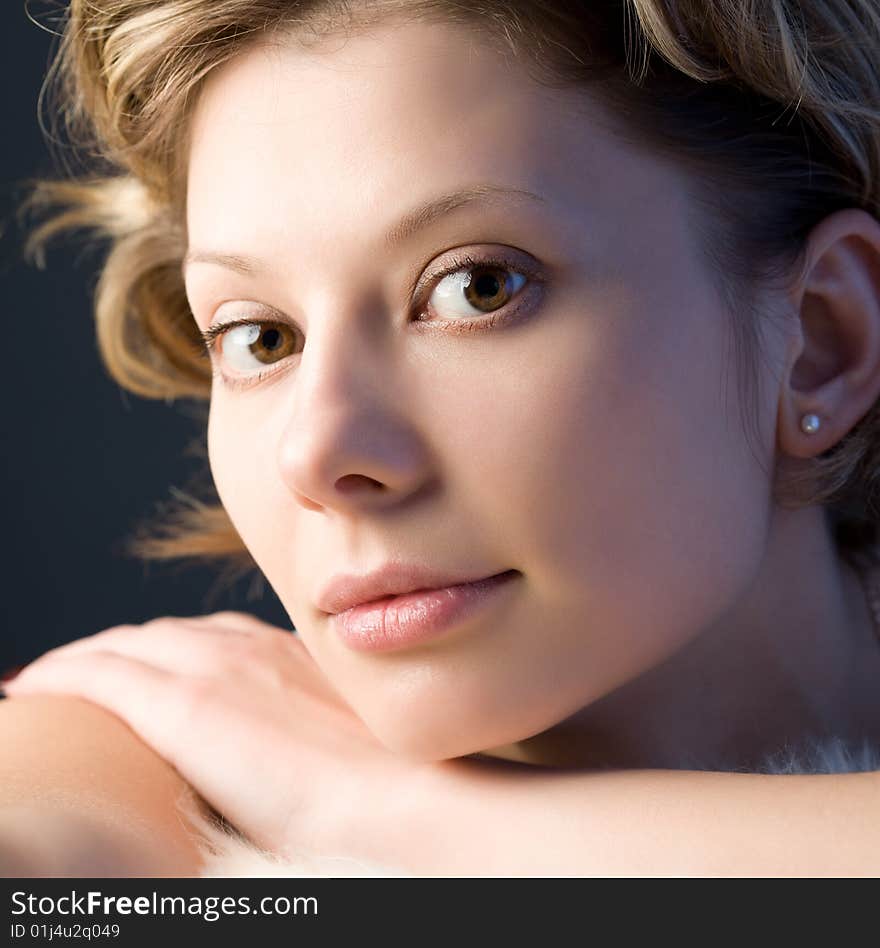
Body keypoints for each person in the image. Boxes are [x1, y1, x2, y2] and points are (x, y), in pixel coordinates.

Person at [4, 0, 880, 877]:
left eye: (477, 286)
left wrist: (401, 816)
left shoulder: (314, 783)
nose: (316, 451)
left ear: (821, 341)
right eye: (260, 338)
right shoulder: (138, 760)